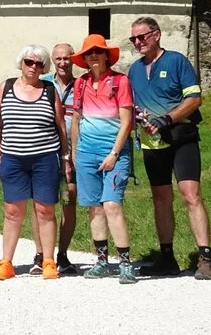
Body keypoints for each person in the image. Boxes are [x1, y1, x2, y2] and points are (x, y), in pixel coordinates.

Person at [127, 17, 211, 280]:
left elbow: (195, 98)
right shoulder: (134, 70)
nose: (137, 42)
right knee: (160, 199)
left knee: (191, 195)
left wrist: (166, 118)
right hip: (152, 143)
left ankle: (206, 257)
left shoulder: (176, 61)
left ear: (156, 35)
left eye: (141, 37)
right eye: (133, 39)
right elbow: (133, 104)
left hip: (181, 138)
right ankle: (167, 257)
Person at [0, 45, 71, 280]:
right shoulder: (5, 87)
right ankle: (6, 263)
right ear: (21, 63)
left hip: (45, 158)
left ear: (44, 67)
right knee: (13, 211)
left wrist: (65, 159)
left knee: (45, 210)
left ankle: (48, 261)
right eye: (29, 62)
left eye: (39, 64)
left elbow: (60, 126)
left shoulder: (49, 90)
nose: (33, 67)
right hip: (13, 159)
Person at [69, 34, 138, 284]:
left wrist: (114, 153)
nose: (93, 56)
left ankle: (126, 264)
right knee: (94, 208)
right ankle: (101, 262)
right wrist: (75, 153)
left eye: (98, 52)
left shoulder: (120, 81)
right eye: (89, 53)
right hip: (86, 152)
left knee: (111, 205)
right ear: (84, 59)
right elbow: (76, 119)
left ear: (106, 55)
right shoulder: (81, 84)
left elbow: (127, 121)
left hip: (114, 152)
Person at [33, 43, 78, 275]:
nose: (63, 63)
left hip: (76, 151)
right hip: (47, 151)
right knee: (41, 205)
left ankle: (62, 253)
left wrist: (70, 156)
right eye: (58, 58)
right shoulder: (44, 84)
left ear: (73, 59)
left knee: (69, 202)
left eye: (67, 58)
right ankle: (41, 254)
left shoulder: (81, 85)